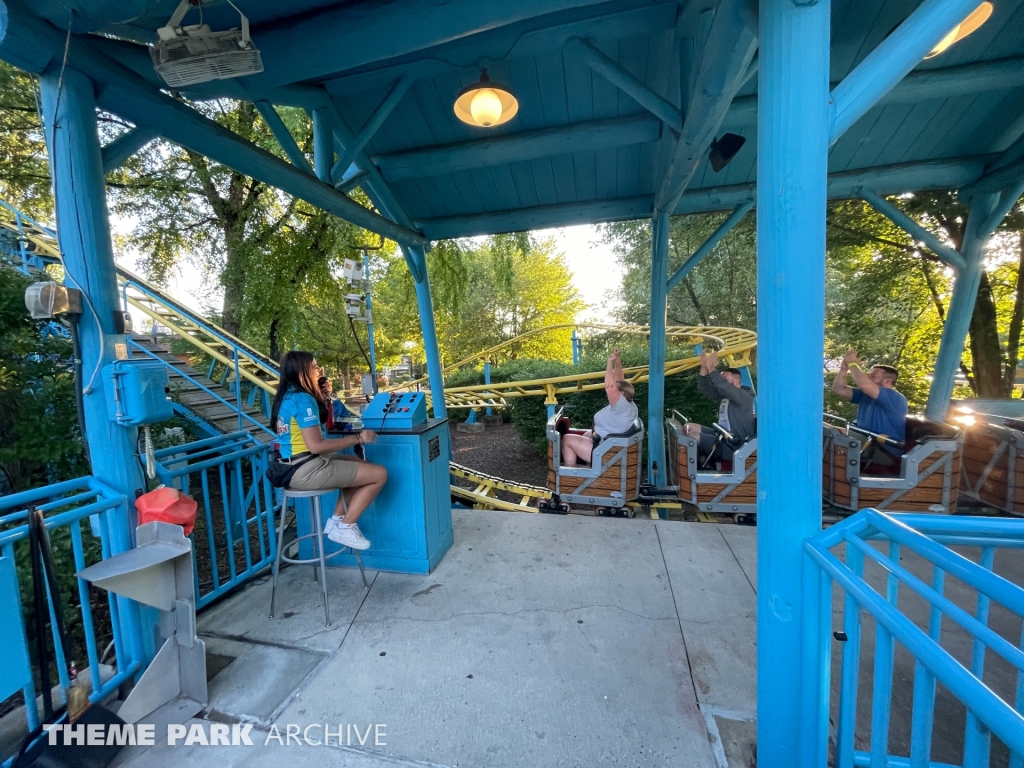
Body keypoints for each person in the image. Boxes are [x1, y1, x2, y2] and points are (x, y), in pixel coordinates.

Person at [271, 351, 387, 551]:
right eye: (315, 367)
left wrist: (322, 397)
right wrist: (358, 437)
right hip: (305, 468)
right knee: (379, 474)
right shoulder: (303, 399)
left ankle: (336, 521)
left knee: (361, 465)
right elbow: (316, 445)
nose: (319, 371)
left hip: (292, 465)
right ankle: (346, 526)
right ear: (303, 371)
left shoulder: (287, 396)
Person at [831, 349, 908, 470]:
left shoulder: (895, 397)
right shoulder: (867, 395)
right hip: (864, 440)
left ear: (887, 381)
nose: (868, 377)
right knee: (826, 431)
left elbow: (864, 384)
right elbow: (839, 389)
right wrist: (844, 369)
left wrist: (852, 364)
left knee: (831, 436)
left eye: (873, 376)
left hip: (883, 449)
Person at [560, 349, 638, 466]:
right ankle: (585, 470)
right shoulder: (628, 404)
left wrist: (608, 363)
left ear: (621, 393)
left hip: (604, 450)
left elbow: (611, 386)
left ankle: (570, 476)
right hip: (604, 441)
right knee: (585, 434)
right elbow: (619, 381)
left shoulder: (621, 406)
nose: (613, 392)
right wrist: (617, 360)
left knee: (566, 439)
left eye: (617, 390)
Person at [685, 349, 756, 463]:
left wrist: (712, 369)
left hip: (733, 445)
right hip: (722, 435)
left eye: (725, 376)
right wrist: (704, 368)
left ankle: (696, 467)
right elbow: (704, 388)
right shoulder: (725, 396)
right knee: (689, 427)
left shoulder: (745, 397)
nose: (720, 379)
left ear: (736, 381)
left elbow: (723, 385)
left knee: (693, 436)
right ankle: (703, 459)